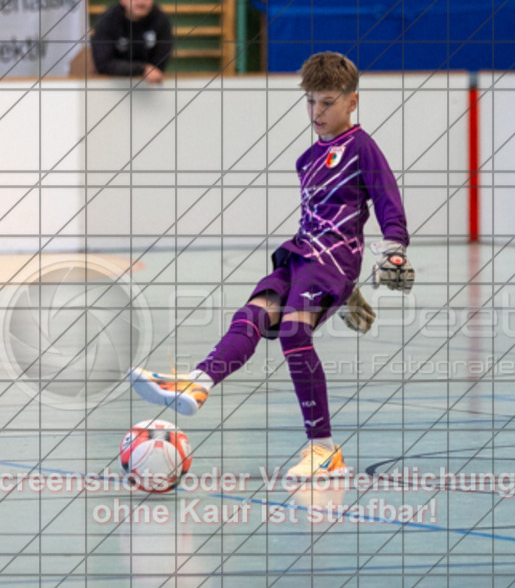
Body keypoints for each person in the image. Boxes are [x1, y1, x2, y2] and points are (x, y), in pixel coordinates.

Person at [127, 52, 413, 478]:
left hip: (333, 259)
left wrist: (394, 250)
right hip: (301, 255)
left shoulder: (361, 147)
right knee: (252, 314)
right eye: (311, 102)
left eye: (328, 103)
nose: (317, 112)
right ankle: (199, 382)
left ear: (352, 102)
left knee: (294, 332)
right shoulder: (307, 159)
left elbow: (388, 200)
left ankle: (324, 450)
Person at [91, 0, 173, 83]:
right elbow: (103, 64)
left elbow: (159, 65)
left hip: (148, 87)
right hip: (111, 85)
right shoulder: (107, 20)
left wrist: (145, 71)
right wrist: (142, 69)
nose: (141, 2)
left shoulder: (161, 21)